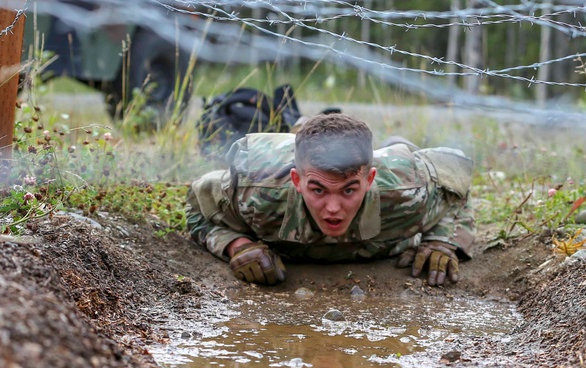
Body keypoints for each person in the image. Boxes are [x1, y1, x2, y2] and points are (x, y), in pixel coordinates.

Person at [185, 113, 475, 286]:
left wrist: (441, 241)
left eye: (348, 190)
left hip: (392, 165)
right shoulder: (257, 190)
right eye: (318, 190)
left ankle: (394, 145)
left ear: (369, 180)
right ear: (297, 181)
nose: (333, 209)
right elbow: (197, 208)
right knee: (299, 148)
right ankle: (301, 129)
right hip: (285, 164)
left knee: (399, 153)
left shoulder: (406, 190)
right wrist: (238, 246)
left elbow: (456, 182)